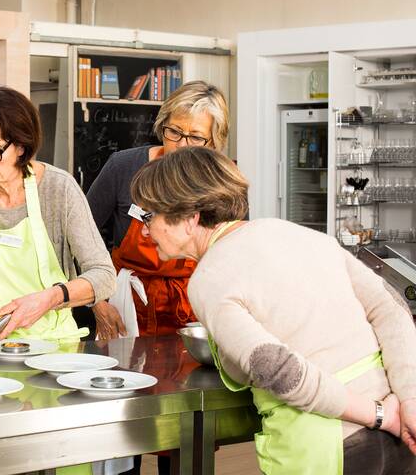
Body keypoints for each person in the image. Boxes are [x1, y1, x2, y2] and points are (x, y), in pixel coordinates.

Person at [131, 146, 416, 474]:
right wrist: (407, 402)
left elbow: (276, 369)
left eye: (149, 216)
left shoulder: (208, 279)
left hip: (328, 445)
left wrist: (380, 415)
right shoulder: (298, 233)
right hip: (398, 433)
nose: (144, 230)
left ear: (190, 218)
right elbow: (392, 309)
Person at [0, 85, 116, 343]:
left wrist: (50, 298)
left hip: (51, 348)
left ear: (22, 147)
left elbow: (103, 275)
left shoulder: (59, 189)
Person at [85, 81, 229, 340]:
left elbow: (233, 257)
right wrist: (98, 303)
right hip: (126, 304)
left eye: (195, 137)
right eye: (174, 131)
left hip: (194, 306)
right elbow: (80, 239)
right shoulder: (123, 166)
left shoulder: (222, 181)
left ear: (213, 142)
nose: (182, 145)